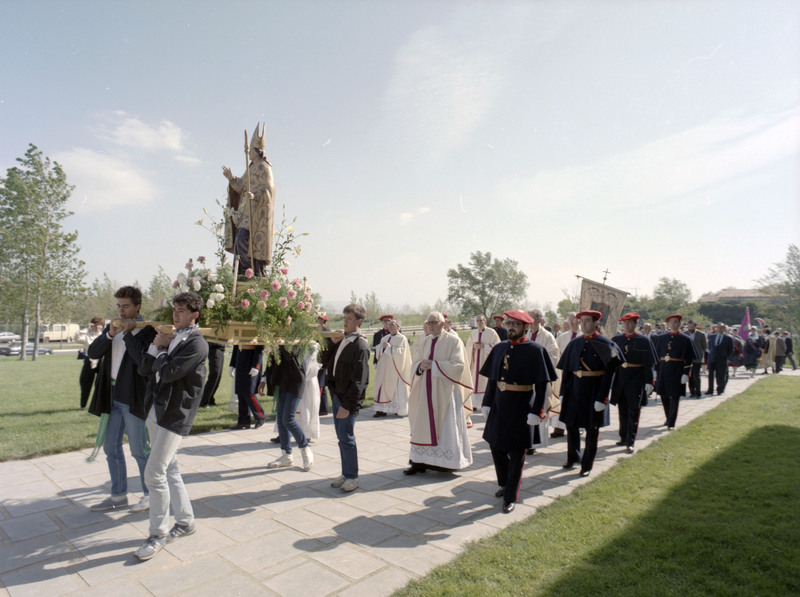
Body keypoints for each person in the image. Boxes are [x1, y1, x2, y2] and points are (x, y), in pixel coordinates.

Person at [134, 292, 208, 561]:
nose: (175, 314)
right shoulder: (171, 336)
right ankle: (186, 521)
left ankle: (158, 533)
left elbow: (168, 373)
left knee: (154, 473)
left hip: (175, 414)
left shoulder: (197, 343)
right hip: (155, 409)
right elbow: (144, 368)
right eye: (174, 309)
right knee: (170, 468)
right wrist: (156, 347)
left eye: (181, 310)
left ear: (194, 315)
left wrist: (162, 349)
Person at [87, 286, 157, 513]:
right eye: (118, 306)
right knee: (111, 447)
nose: (121, 311)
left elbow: (142, 362)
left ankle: (150, 495)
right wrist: (109, 335)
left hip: (133, 397)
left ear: (138, 306)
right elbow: (92, 353)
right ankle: (118, 496)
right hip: (111, 395)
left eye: (126, 306)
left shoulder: (147, 331)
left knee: (139, 449)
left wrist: (128, 334)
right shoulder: (113, 328)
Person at [480, 310, 557, 513]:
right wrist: (487, 402)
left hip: (521, 405)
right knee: (495, 445)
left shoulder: (536, 350)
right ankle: (504, 483)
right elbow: (493, 378)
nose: (511, 327)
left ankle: (510, 496)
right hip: (499, 404)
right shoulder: (500, 347)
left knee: (516, 452)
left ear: (526, 327)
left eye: (516, 324)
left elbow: (542, 384)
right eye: (509, 323)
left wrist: (537, 410)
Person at [405, 312, 473, 475]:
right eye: (429, 323)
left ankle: (445, 463)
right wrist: (420, 366)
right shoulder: (425, 341)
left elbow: (459, 366)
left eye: (434, 322)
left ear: (443, 324)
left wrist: (434, 365)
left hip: (446, 392)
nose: (431, 326)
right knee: (421, 424)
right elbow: (415, 363)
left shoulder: (454, 341)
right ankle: (418, 462)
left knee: (446, 426)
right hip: (425, 390)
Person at [557, 310, 623, 477]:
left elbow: (609, 373)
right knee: (571, 425)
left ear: (596, 323)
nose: (583, 324)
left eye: (587, 321)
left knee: (592, 429)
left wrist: (602, 397)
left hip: (594, 390)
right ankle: (573, 457)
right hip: (574, 390)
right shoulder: (574, 343)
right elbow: (567, 370)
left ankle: (587, 465)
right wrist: (563, 392)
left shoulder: (606, 344)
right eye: (582, 321)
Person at [327, 304, 370, 492]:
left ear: (359, 321)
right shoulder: (343, 340)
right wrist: (332, 343)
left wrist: (347, 405)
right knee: (341, 438)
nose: (345, 322)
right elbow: (326, 361)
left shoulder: (360, 345)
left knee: (347, 437)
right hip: (337, 395)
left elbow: (359, 381)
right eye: (344, 318)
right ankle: (345, 473)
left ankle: (352, 476)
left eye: (349, 319)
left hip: (347, 400)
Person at [222, 122, 275, 276]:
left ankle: (250, 272)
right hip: (246, 212)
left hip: (257, 214)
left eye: (251, 150)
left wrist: (255, 195)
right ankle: (242, 272)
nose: (249, 153)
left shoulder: (264, 167)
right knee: (240, 239)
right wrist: (231, 178)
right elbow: (240, 186)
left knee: (243, 239)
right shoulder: (251, 167)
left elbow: (269, 189)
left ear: (257, 151)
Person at [611, 312, 657, 453]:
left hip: (636, 379)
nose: (627, 325)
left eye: (630, 322)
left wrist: (649, 381)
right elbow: (611, 361)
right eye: (625, 323)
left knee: (633, 411)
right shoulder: (616, 339)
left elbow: (648, 363)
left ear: (636, 324)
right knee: (622, 410)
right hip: (621, 379)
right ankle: (623, 436)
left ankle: (630, 441)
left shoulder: (643, 340)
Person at [263, 344, 314, 471]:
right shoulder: (278, 341)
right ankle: (287, 455)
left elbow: (293, 355)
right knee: (281, 419)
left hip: (295, 380)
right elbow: (272, 360)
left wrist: (280, 344)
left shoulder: (296, 338)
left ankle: (305, 449)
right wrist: (264, 379)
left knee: (288, 419)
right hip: (283, 381)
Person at [653, 314, 698, 429]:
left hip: (677, 370)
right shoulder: (661, 338)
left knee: (675, 395)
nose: (673, 324)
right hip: (663, 369)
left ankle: (671, 422)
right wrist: (655, 371)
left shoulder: (685, 339)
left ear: (680, 324)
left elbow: (689, 358)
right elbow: (656, 356)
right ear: (668, 324)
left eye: (676, 322)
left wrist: (686, 373)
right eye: (671, 322)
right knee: (663, 395)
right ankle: (668, 417)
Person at [525, 309, 560, 453]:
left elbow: (554, 357)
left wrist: (536, 362)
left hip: (540, 379)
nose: (529, 322)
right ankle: (527, 440)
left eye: (531, 319)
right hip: (526, 380)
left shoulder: (547, 337)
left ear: (539, 320)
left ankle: (535, 444)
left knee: (539, 406)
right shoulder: (526, 334)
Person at [373, 319, 412, 417]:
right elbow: (378, 351)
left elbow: (402, 353)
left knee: (396, 389)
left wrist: (389, 348)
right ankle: (381, 410)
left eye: (392, 324)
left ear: (398, 326)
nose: (390, 326)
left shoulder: (402, 338)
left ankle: (397, 409)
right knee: (381, 387)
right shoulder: (384, 338)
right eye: (389, 325)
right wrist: (382, 348)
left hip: (396, 368)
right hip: (384, 368)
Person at [465, 315, 501, 415]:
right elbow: (468, 346)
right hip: (475, 362)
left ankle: (486, 403)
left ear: (485, 321)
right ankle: (474, 404)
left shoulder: (491, 333)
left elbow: (498, 346)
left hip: (486, 362)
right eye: (477, 321)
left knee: (485, 382)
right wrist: (473, 346)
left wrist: (484, 346)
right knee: (474, 382)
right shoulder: (473, 333)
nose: (479, 322)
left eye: (481, 320)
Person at [228, 345, 266, 429]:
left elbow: (259, 348)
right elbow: (236, 346)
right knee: (240, 391)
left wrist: (256, 365)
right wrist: (232, 364)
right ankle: (243, 420)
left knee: (248, 392)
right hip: (241, 358)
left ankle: (260, 415)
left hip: (251, 360)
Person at [78, 317, 104, 409]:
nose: (97, 327)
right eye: (95, 325)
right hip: (89, 361)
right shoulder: (88, 336)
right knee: (85, 383)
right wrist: (86, 329)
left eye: (99, 325)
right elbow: (77, 338)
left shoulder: (104, 335)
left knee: (100, 385)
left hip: (101, 361)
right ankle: (83, 405)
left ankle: (98, 406)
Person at [706, 323, 734, 395]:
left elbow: (731, 350)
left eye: (721, 327)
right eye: (718, 327)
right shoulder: (712, 336)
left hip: (722, 359)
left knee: (721, 375)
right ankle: (710, 389)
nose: (720, 329)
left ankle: (720, 389)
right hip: (712, 358)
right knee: (710, 375)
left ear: (724, 329)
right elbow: (709, 347)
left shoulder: (728, 338)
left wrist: (727, 358)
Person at [199, 341, 225, 408]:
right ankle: (203, 401)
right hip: (214, 347)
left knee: (218, 376)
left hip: (220, 348)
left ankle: (210, 399)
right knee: (215, 375)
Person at [684, 320, 707, 398]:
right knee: (689, 376)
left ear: (695, 326)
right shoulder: (684, 334)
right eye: (689, 327)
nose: (690, 328)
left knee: (696, 375)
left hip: (697, 358)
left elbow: (705, 346)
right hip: (687, 358)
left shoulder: (701, 334)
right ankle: (692, 392)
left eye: (692, 327)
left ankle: (698, 392)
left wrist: (702, 357)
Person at [317, 314, 332, 415]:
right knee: (319, 384)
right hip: (317, 361)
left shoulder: (326, 331)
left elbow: (328, 347)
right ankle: (323, 408)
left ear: (323, 321)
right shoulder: (317, 331)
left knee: (321, 385)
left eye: (319, 319)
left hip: (322, 361)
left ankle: (323, 408)